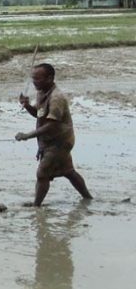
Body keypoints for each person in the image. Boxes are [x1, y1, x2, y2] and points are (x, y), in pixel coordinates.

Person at [16, 63, 92, 206]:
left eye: (38, 79)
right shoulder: (42, 92)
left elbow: (52, 125)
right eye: (33, 79)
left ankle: (36, 206)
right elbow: (40, 115)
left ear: (50, 78)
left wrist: (27, 135)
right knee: (68, 171)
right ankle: (88, 198)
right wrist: (27, 106)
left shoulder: (57, 98)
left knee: (42, 174)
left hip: (59, 142)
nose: (34, 82)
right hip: (51, 141)